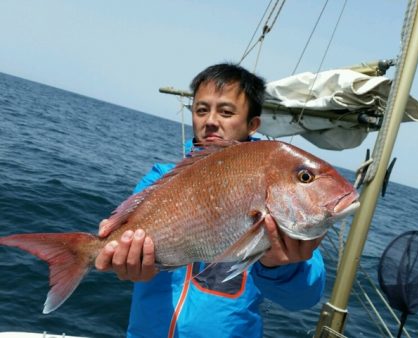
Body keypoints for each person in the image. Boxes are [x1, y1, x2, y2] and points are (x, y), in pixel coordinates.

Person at [95, 63, 326, 338]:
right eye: (201, 110)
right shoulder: (159, 179)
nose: (211, 121)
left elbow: (303, 298)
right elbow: (131, 244)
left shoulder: (272, 186)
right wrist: (131, 265)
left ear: (252, 124)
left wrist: (281, 265)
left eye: (226, 112)